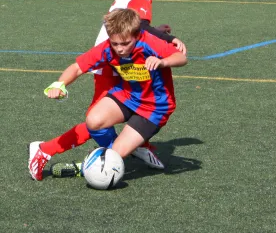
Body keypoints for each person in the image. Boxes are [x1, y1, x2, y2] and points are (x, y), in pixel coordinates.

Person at [29, 0, 186, 181]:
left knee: (133, 99)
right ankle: (47, 150)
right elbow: (139, 27)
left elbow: (139, 29)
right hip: (108, 65)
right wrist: (169, 40)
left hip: (117, 63)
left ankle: (131, 147)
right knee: (96, 120)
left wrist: (157, 35)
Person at [44, 8, 187, 164]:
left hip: (155, 107)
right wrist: (59, 84)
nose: (119, 48)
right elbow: (77, 67)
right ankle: (110, 160)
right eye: (115, 43)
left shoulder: (150, 42)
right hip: (127, 96)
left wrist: (163, 62)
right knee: (94, 121)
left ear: (137, 35)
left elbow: (181, 57)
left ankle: (98, 163)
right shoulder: (107, 48)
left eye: (125, 43)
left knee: (114, 155)